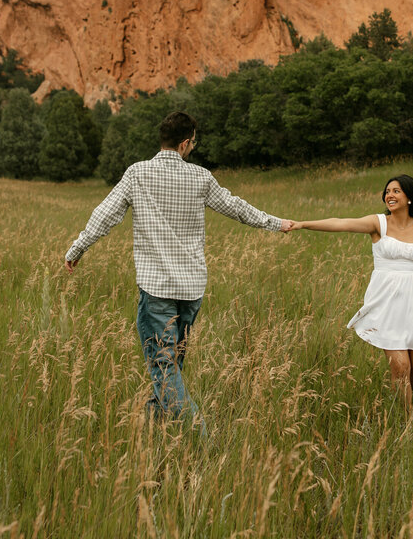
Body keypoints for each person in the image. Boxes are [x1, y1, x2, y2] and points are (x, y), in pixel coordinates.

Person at [64, 111, 292, 424]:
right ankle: (157, 428)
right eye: (193, 143)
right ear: (184, 144)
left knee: (164, 368)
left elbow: (104, 216)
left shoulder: (137, 173)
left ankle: (197, 434)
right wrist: (275, 223)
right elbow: (236, 208)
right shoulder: (201, 177)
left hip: (157, 288)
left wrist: (77, 248)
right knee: (171, 366)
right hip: (191, 290)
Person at [290, 174, 413, 410]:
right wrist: (302, 224)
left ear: (410, 197)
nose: (389, 195)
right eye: (387, 191)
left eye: (396, 191)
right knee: (400, 368)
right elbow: (340, 222)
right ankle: (405, 420)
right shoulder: (378, 224)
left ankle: (405, 397)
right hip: (387, 305)